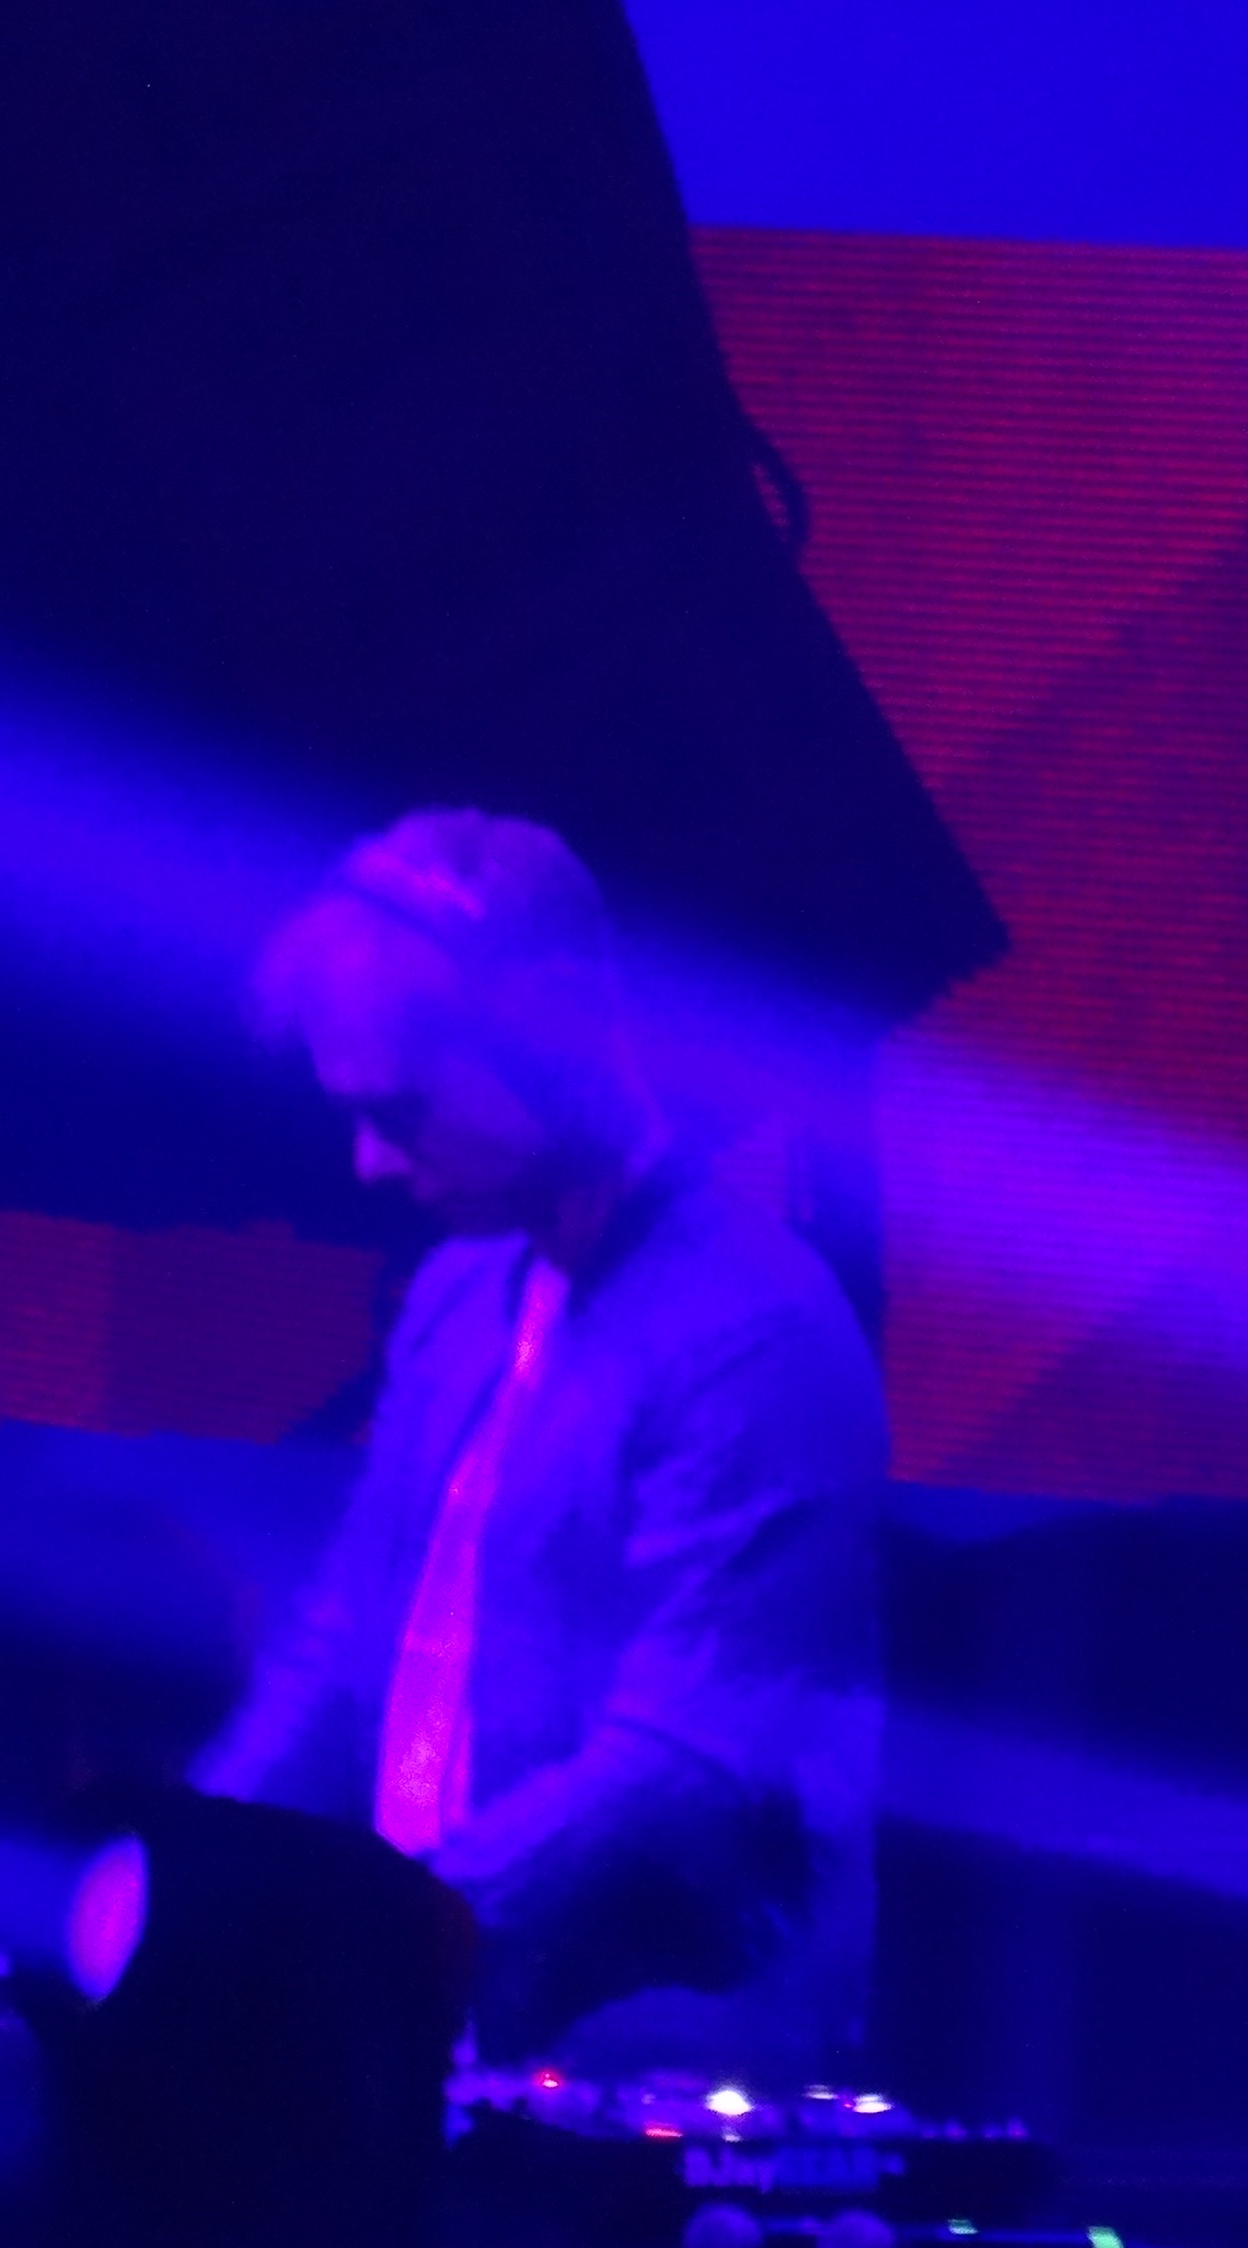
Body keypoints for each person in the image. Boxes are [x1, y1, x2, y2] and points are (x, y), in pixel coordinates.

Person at [197, 811, 884, 2085]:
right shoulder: (457, 1300)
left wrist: (383, 1928)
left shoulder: (756, 1329)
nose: (367, 1162)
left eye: (400, 1112)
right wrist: (190, 1871)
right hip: (457, 2022)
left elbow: (684, 1761)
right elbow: (343, 1640)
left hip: (655, 2058)